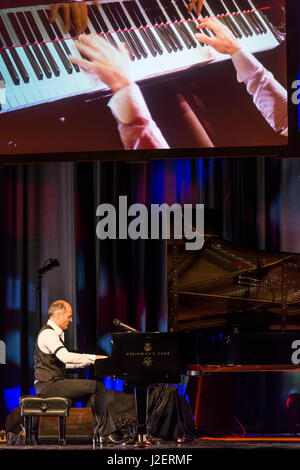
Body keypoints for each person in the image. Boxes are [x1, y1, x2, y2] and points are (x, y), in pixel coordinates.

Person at [33, 299, 124, 444]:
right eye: (68, 315)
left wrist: (93, 361)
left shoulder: (52, 334)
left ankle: (97, 433)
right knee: (97, 387)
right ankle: (106, 434)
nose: (71, 319)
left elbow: (63, 364)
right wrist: (92, 358)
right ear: (58, 315)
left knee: (92, 393)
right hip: (48, 385)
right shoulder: (48, 334)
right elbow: (65, 356)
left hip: (51, 383)